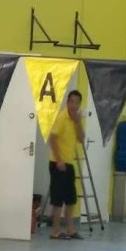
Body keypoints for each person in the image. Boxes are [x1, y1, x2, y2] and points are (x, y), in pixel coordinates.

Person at [47, 90, 85, 239]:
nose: (74, 105)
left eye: (77, 102)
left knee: (71, 198)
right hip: (57, 163)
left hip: (69, 163)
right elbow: (52, 139)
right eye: (72, 102)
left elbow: (81, 139)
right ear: (67, 103)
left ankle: (70, 229)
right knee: (58, 200)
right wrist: (59, 160)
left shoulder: (76, 120)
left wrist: (78, 122)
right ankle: (55, 231)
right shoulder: (62, 118)